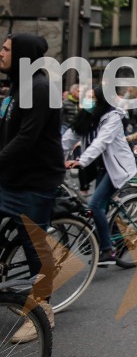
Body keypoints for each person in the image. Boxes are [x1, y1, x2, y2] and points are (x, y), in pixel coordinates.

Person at [0, 33, 64, 342]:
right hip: (12, 178)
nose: (1, 52)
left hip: (35, 183)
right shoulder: (18, 86)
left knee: (35, 248)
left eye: (7, 48)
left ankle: (42, 311)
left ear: (23, 54)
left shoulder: (40, 89)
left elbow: (26, 139)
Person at [63, 85, 137, 264]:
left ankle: (107, 249)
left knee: (95, 205)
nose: (88, 101)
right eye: (87, 97)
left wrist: (81, 160)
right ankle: (116, 240)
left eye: (93, 98)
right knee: (95, 206)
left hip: (116, 168)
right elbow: (67, 139)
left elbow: (101, 142)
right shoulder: (87, 117)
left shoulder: (112, 118)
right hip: (99, 168)